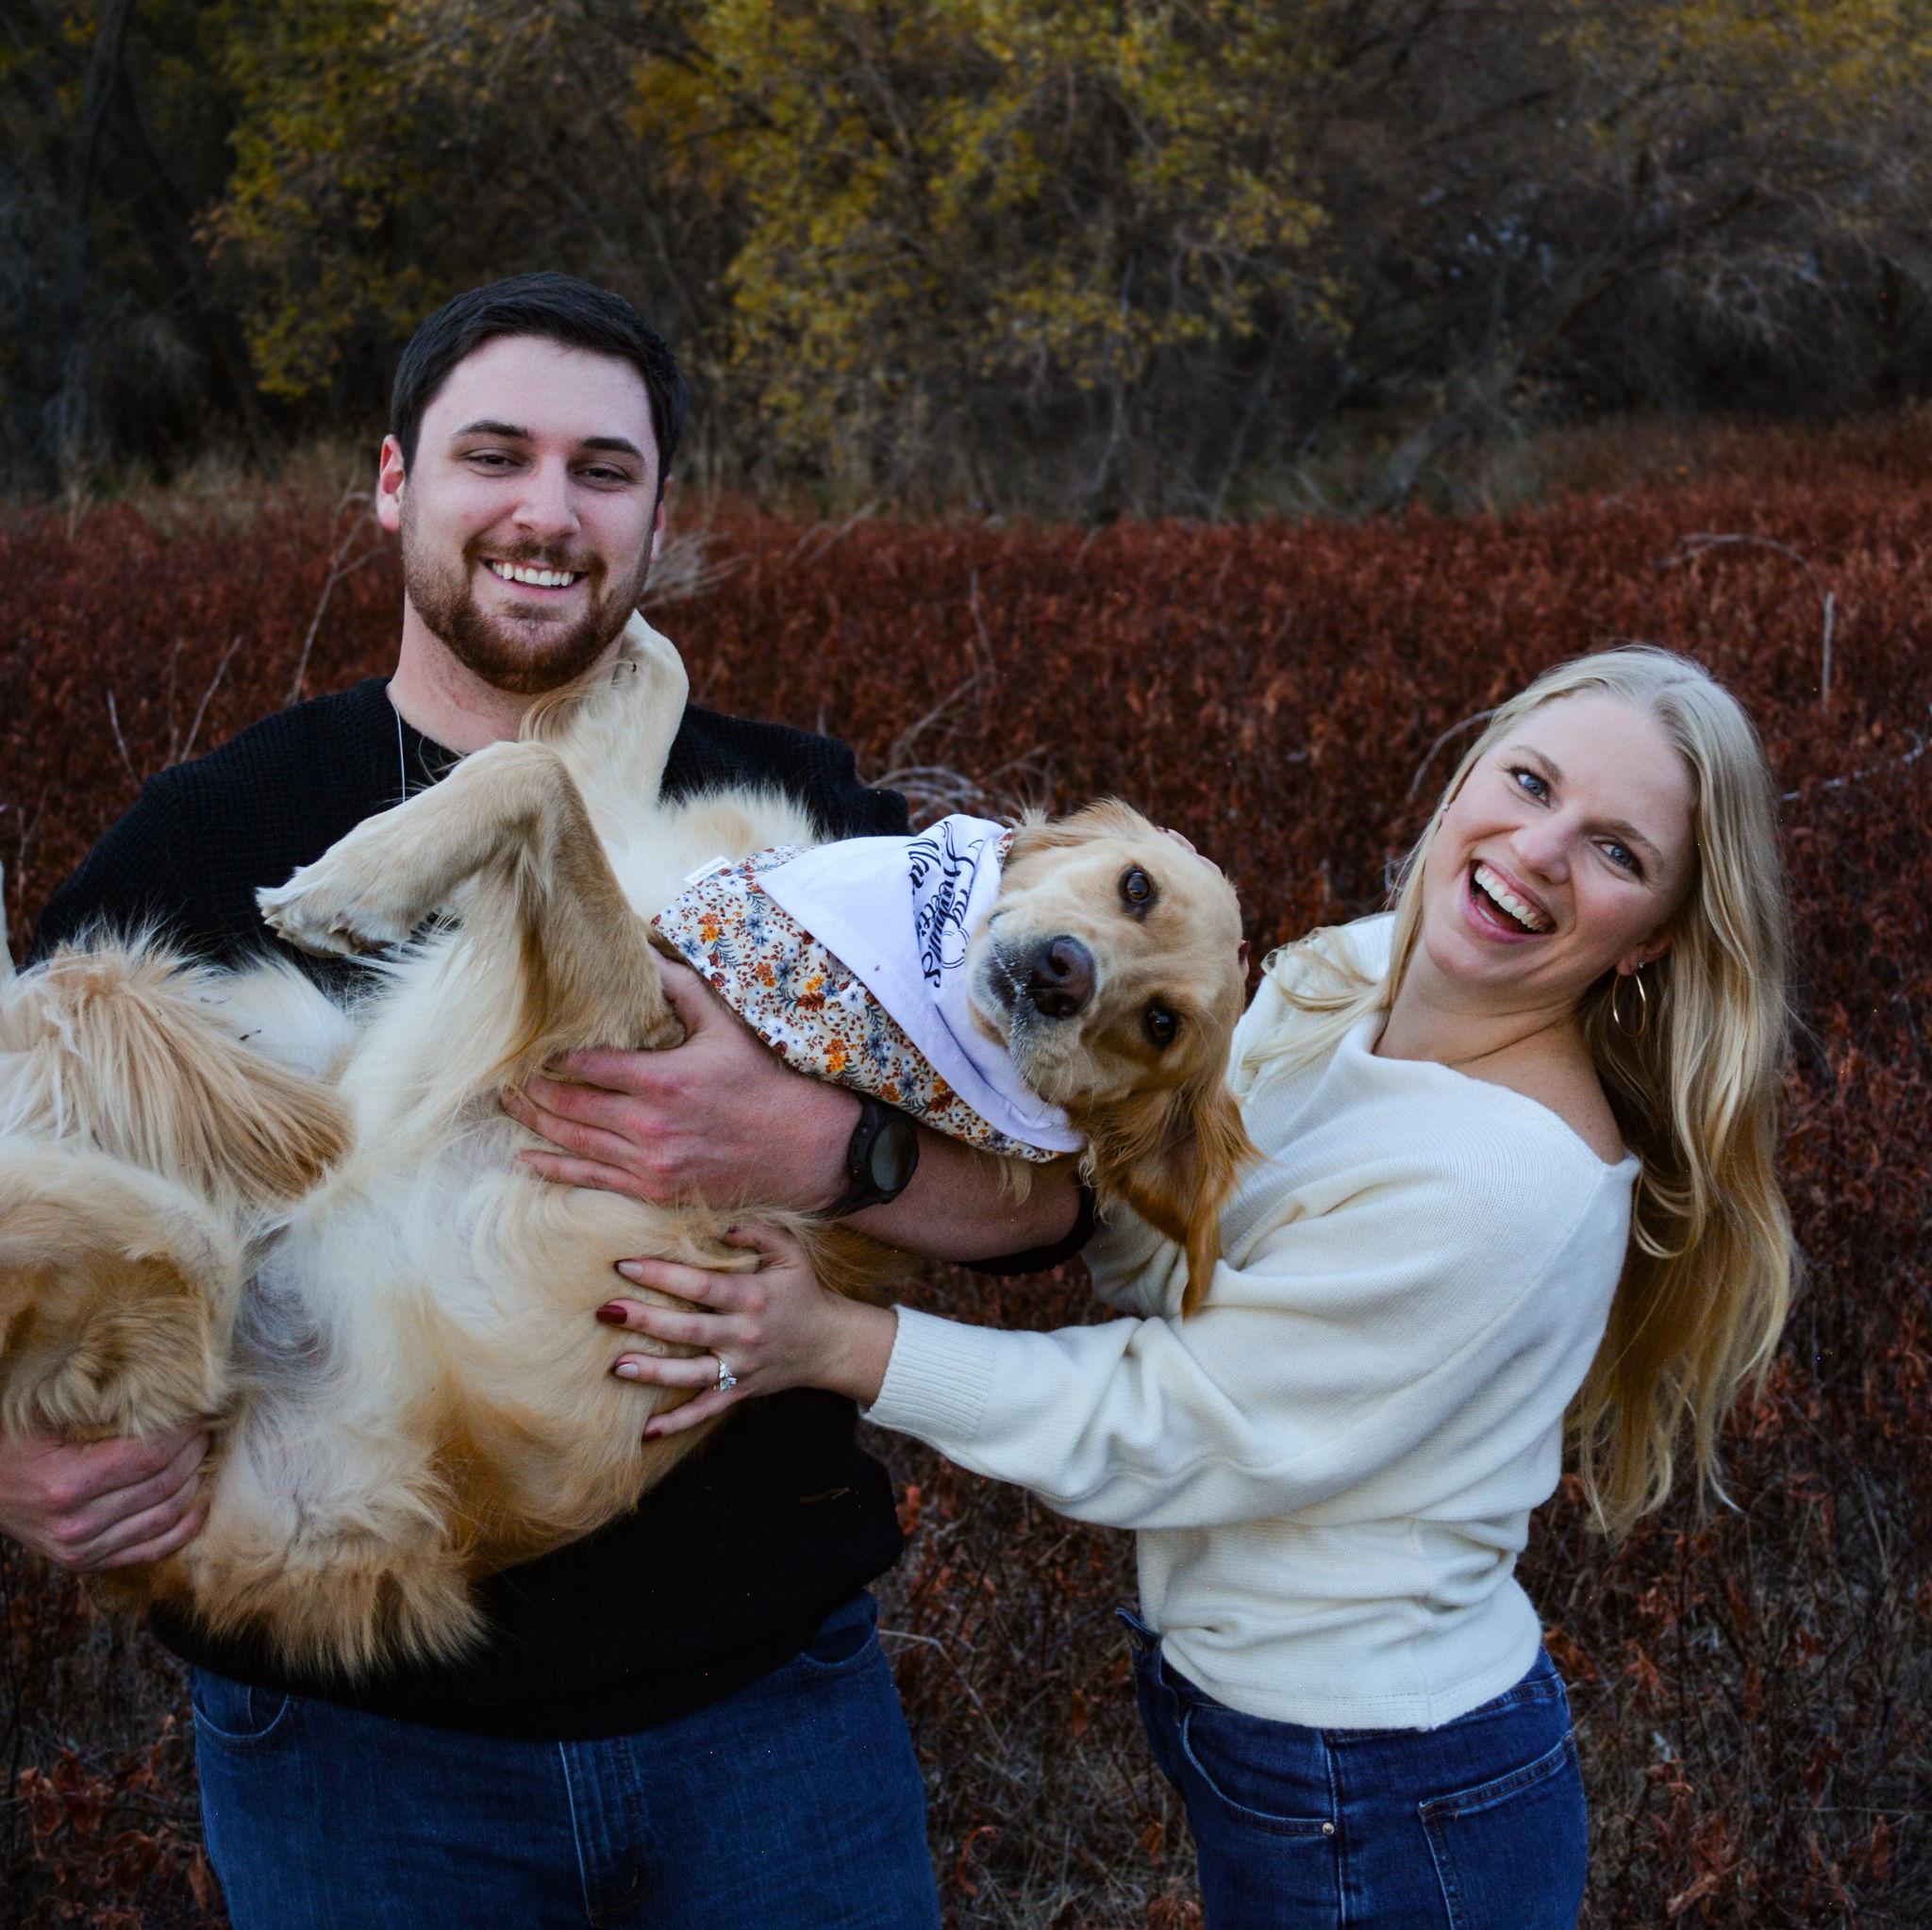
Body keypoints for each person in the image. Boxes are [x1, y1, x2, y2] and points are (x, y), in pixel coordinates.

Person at [3, 273, 1085, 1928]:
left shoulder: (802, 809)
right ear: (394, 483)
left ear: (658, 514)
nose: (546, 510)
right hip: (358, 1745)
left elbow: (1052, 1204)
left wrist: (824, 1147)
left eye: (603, 469)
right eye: (492, 455)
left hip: (769, 1721)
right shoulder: (211, 837)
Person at [594, 645, 1796, 1928]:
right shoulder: (1354, 975)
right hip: (1278, 1741)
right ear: (1467, 776)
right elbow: (1157, 1233)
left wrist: (836, 1339)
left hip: (1392, 1789)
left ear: (1654, 936)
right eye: (1531, 780)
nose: (1540, 849)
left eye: (1616, 851)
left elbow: (1176, 1418)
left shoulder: (1506, 1179)